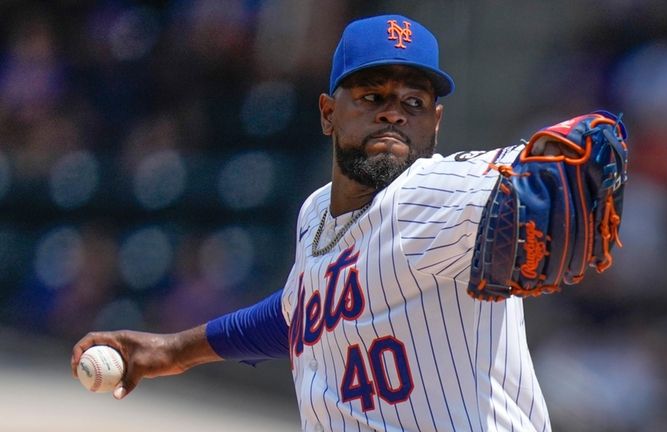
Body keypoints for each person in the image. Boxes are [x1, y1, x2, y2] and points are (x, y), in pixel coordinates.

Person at [72, 14, 626, 432]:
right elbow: (299, 313)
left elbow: (573, 152)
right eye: (372, 95)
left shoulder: (433, 191)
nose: (393, 111)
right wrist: (172, 350)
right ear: (327, 112)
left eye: (414, 100)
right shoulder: (316, 212)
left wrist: (574, 148)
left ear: (436, 121)